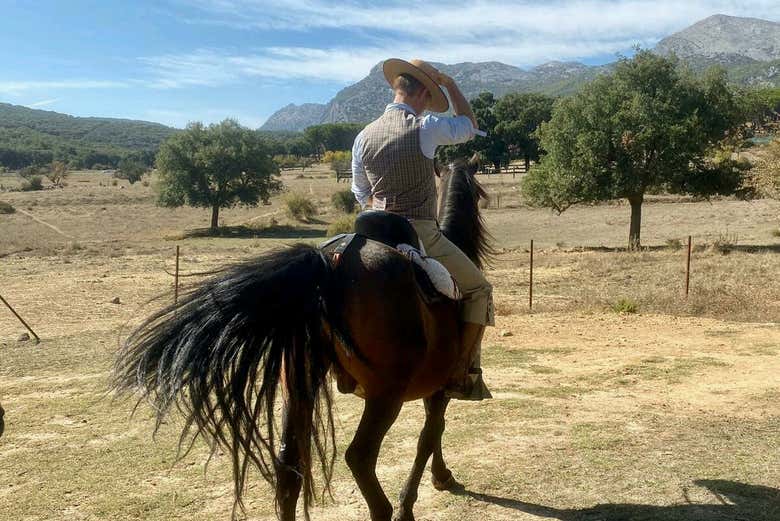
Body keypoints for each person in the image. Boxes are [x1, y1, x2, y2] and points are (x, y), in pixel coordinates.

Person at [351, 58, 493, 401]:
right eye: (431, 96)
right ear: (424, 94)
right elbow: (468, 126)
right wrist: (452, 85)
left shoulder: (363, 136)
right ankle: (461, 370)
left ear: (396, 88)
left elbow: (360, 193)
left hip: (372, 233)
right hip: (419, 233)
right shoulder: (425, 127)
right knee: (480, 290)